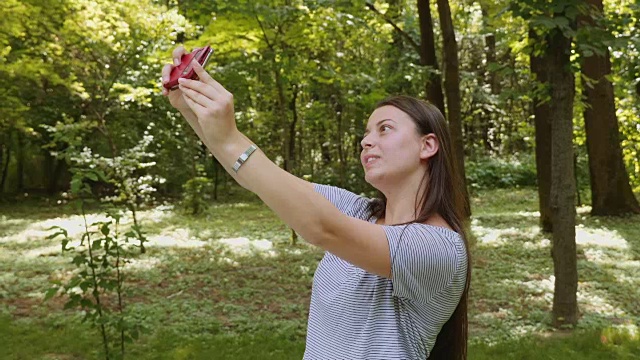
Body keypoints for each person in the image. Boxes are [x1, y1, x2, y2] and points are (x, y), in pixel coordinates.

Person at [162, 46, 471, 360]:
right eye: (366, 132)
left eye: (385, 129)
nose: (366, 140)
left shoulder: (439, 248)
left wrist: (229, 136)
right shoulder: (357, 210)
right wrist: (190, 106)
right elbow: (257, 176)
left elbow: (321, 227)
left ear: (427, 145)